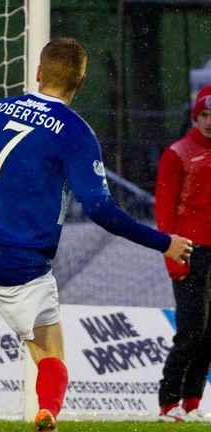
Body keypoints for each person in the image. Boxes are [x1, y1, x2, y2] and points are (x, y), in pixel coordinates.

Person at [0, 37, 193, 432]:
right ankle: (47, 411)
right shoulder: (75, 133)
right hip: (22, 264)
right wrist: (164, 241)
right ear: (80, 82)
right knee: (50, 355)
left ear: (38, 74)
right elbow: (99, 208)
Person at [155, 83, 211, 423]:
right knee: (190, 329)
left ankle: (192, 401)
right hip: (189, 249)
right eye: (204, 115)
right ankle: (168, 401)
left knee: (210, 332)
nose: (209, 122)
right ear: (195, 116)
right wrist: (172, 256)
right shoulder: (178, 153)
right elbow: (164, 211)